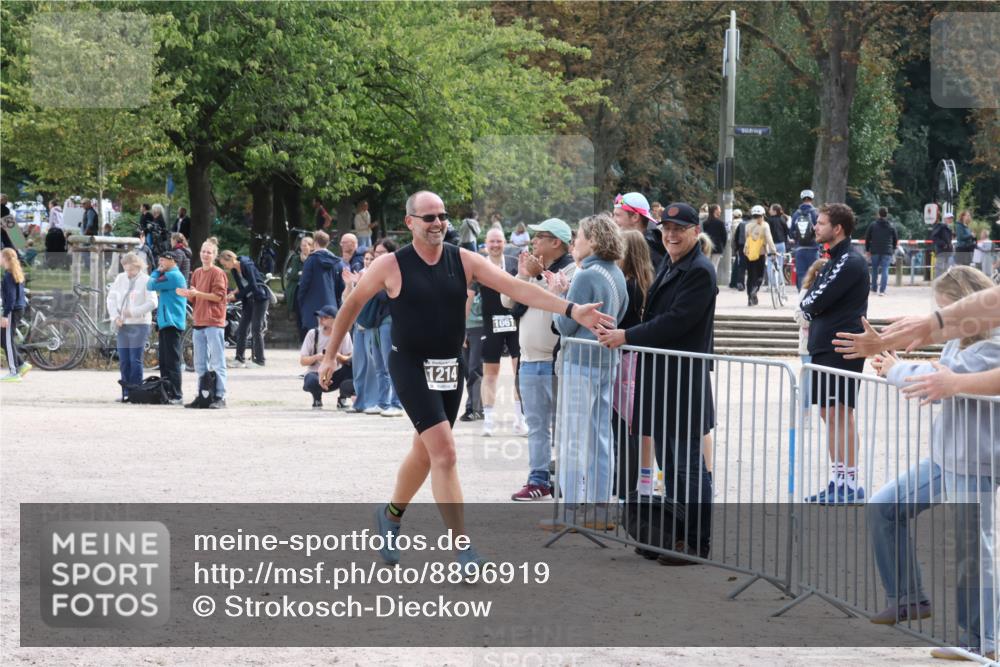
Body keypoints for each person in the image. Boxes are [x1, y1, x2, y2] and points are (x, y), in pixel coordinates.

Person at [316, 190, 609, 570]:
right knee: (446, 452)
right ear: (410, 223)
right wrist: (328, 355)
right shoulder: (391, 265)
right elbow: (352, 305)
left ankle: (389, 516)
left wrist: (572, 309)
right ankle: (463, 550)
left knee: (426, 452)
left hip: (449, 367)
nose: (438, 223)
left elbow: (516, 288)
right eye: (429, 218)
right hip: (409, 365)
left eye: (442, 216)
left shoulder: (464, 259)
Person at [867, 266, 1000, 662]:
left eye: (947, 308)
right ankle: (907, 597)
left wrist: (893, 369)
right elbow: (937, 381)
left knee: (972, 550)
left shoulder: (990, 346)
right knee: (883, 508)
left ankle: (985, 639)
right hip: (947, 456)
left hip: (974, 459)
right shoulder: (958, 342)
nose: (944, 317)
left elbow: (939, 378)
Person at [596, 202, 717, 565]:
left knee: (688, 467)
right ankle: (675, 537)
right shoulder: (673, 263)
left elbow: (676, 322)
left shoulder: (698, 270)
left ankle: (695, 543)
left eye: (679, 228)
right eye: (666, 228)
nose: (671, 234)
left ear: (696, 231)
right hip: (665, 380)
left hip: (682, 382)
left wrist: (626, 335)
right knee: (674, 468)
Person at [553, 213, 628, 513]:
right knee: (600, 435)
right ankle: (600, 506)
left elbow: (564, 325)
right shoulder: (617, 273)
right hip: (605, 361)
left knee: (572, 436)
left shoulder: (585, 275)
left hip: (581, 361)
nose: (575, 242)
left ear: (593, 240)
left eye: (579, 236)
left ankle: (570, 507)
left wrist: (558, 296)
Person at [502, 218, 578, 500]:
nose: (533, 242)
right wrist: (525, 275)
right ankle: (538, 479)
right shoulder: (533, 271)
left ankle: (567, 481)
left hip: (555, 361)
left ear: (556, 242)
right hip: (529, 360)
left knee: (563, 426)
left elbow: (557, 301)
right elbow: (507, 300)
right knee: (536, 425)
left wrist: (537, 275)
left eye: (539, 237)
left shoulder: (572, 270)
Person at [798, 203, 869, 505]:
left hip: (842, 345)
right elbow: (812, 298)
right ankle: (837, 478)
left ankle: (850, 483)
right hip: (825, 345)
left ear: (837, 229)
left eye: (821, 222)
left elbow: (812, 301)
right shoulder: (831, 260)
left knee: (842, 413)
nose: (816, 227)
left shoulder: (849, 260)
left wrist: (810, 305)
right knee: (829, 414)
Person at [613, 230, 654, 497]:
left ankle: (626, 485)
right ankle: (638, 480)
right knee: (633, 423)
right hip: (638, 357)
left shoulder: (628, 286)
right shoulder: (649, 281)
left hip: (626, 356)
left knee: (624, 423)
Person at [478, 227, 527, 437]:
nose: (496, 245)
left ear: (505, 242)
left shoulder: (514, 263)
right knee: (490, 373)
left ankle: (520, 419)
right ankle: (488, 420)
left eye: (499, 241)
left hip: (515, 322)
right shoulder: (479, 266)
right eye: (492, 242)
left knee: (519, 372)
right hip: (491, 323)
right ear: (486, 244)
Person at [179, 237, 228, 409]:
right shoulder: (197, 272)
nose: (205, 254)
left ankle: (221, 396)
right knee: (199, 363)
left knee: (217, 361)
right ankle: (203, 394)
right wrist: (187, 294)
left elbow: (218, 296)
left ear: (214, 255)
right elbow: (195, 296)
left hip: (214, 322)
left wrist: (198, 293)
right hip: (199, 320)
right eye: (203, 251)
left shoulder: (218, 273)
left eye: (209, 252)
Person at [106, 252, 157, 401]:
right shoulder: (120, 278)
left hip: (140, 324)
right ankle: (125, 393)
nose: (128, 273)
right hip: (122, 324)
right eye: (126, 269)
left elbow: (153, 302)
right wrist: (115, 317)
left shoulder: (147, 280)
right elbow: (111, 298)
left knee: (135, 359)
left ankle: (136, 392)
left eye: (131, 270)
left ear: (137, 267)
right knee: (124, 360)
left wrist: (133, 312)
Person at [147, 250, 187, 403]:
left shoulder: (173, 276)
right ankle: (167, 392)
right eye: (159, 261)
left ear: (173, 261)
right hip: (165, 323)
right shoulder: (169, 274)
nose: (160, 264)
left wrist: (157, 271)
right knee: (164, 361)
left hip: (172, 323)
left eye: (163, 261)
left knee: (172, 361)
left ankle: (177, 394)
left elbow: (150, 285)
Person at [219, 250, 270, 368]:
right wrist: (232, 293)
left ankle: (260, 360)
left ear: (231, 259)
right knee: (242, 329)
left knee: (256, 328)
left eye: (224, 264)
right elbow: (241, 285)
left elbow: (253, 285)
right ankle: (239, 359)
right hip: (248, 300)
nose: (224, 267)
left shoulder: (246, 265)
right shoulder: (233, 270)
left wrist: (236, 296)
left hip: (260, 298)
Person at [302, 305, 354, 409]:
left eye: (325, 318)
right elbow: (303, 360)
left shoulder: (344, 334)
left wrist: (336, 356)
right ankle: (317, 398)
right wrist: (318, 357)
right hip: (317, 373)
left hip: (336, 374)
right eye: (319, 317)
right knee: (311, 380)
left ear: (335, 319)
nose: (321, 320)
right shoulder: (313, 334)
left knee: (352, 370)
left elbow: (349, 359)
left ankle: (342, 398)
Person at [793, 259, 828, 405]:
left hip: (825, 344)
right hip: (808, 343)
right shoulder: (806, 292)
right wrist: (815, 321)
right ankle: (804, 411)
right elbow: (797, 315)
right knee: (807, 381)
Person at [296, 230, 345, 333]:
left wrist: (301, 302)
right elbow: (341, 287)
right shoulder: (338, 262)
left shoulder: (311, 260)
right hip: (331, 307)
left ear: (315, 243)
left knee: (314, 341)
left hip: (312, 307)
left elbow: (304, 284)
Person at [613, 192, 665, 270]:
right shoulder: (635, 248)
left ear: (635, 217)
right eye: (613, 215)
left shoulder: (647, 254)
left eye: (617, 215)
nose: (613, 220)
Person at [1, 247, 30, 381]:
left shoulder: (8, 275)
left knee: (6, 340)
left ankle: (14, 372)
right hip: (18, 309)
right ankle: (21, 364)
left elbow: (11, 297)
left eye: (1, 256)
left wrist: (5, 315)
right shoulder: (14, 272)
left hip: (12, 310)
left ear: (5, 258)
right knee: (4, 339)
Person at [743, 205, 777, 307]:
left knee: (750, 275)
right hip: (760, 253)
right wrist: (773, 251)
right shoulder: (765, 225)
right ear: (762, 215)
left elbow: (747, 239)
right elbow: (769, 239)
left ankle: (750, 298)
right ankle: (755, 289)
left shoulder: (747, 226)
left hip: (749, 254)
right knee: (759, 276)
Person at [461, 285, 484, 422]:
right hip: (464, 328)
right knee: (467, 371)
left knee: (475, 368)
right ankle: (477, 407)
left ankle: (473, 408)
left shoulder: (481, 279)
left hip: (480, 328)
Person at [284, 235, 314, 340]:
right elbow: (292, 275)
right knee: (299, 316)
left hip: (310, 292)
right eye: (302, 245)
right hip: (297, 291)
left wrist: (302, 272)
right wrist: (301, 274)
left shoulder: (313, 258)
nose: (303, 248)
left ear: (311, 246)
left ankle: (309, 339)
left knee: (309, 316)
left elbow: (311, 275)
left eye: (305, 246)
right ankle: (303, 340)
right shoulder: (296, 259)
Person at [864, 206, 899, 296]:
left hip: (875, 250)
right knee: (885, 269)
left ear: (878, 214)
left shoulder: (873, 225)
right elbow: (895, 238)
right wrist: (893, 248)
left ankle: (874, 288)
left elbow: (867, 238)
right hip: (887, 251)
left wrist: (867, 249)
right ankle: (882, 291)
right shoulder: (891, 225)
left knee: (874, 269)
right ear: (887, 215)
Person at [790, 190, 820, 290]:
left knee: (801, 274)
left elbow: (791, 233)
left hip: (800, 248)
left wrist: (797, 239)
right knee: (814, 272)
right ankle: (812, 296)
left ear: (802, 199)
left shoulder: (796, 214)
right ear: (812, 198)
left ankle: (801, 297)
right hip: (814, 248)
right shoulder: (816, 213)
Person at [703, 204, 727, 275]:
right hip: (717, 247)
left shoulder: (705, 223)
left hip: (707, 247)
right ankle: (713, 283)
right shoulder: (720, 223)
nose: (720, 211)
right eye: (719, 209)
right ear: (715, 211)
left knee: (707, 266)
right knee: (714, 266)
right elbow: (724, 236)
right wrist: (723, 246)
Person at [767, 203, 790, 276]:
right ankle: (780, 282)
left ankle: (772, 282)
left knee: (770, 263)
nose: (769, 211)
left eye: (770, 209)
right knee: (780, 264)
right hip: (781, 244)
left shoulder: (769, 220)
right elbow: (787, 231)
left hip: (771, 244)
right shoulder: (782, 219)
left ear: (774, 211)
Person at [930, 212, 955, 278]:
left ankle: (943, 283)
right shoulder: (940, 226)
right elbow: (934, 237)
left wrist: (949, 246)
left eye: (951, 218)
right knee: (939, 268)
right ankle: (937, 282)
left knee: (946, 268)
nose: (950, 220)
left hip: (947, 251)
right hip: (941, 251)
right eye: (949, 218)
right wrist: (943, 244)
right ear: (945, 219)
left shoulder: (948, 228)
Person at [728, 208, 746, 291]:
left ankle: (735, 282)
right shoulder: (744, 223)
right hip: (745, 246)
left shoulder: (734, 224)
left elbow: (733, 238)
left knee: (738, 265)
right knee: (739, 264)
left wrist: (734, 248)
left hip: (738, 246)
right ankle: (735, 282)